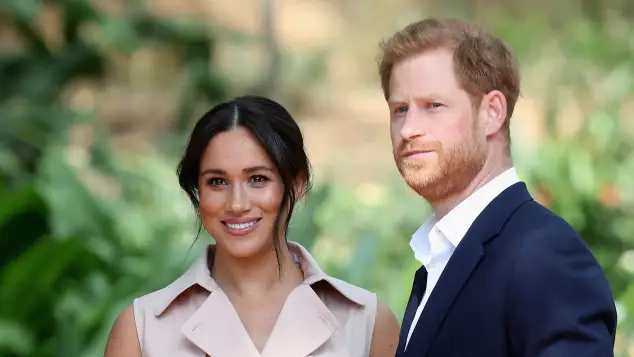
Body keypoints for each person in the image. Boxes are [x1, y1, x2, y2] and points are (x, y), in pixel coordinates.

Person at [377, 18, 617, 357]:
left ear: (492, 112)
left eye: (433, 106)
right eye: (400, 110)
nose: (408, 129)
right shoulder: (440, 258)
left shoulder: (544, 255)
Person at [103, 95, 399, 357]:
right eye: (217, 182)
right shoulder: (141, 330)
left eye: (258, 179)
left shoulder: (368, 323)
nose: (237, 204)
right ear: (198, 192)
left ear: (295, 186)